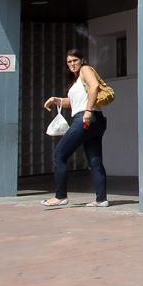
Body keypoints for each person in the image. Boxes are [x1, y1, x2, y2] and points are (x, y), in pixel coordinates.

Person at [40, 49, 109, 207]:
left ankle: (60, 196)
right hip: (95, 120)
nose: (72, 64)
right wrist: (56, 100)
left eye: (74, 60)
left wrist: (88, 111)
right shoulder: (77, 81)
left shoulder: (86, 69)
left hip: (85, 118)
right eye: (69, 62)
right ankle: (101, 199)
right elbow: (74, 102)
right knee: (95, 160)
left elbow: (94, 86)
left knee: (59, 155)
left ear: (82, 60)